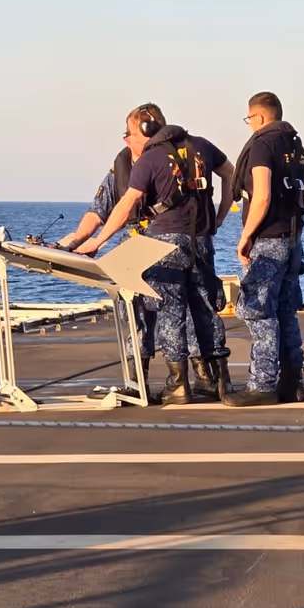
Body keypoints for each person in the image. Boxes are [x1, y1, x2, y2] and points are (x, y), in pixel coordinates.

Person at [55, 117, 233, 400]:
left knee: (185, 309)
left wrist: (98, 242)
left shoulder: (156, 158)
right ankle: (139, 380)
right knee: (138, 313)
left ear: (149, 132)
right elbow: (99, 209)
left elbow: (126, 204)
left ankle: (200, 378)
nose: (125, 139)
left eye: (129, 133)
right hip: (141, 245)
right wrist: (76, 240)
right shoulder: (123, 166)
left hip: (165, 244)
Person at [223, 91, 304, 407]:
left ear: (258, 116)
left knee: (258, 311)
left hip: (268, 240)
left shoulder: (262, 145)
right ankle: (292, 382)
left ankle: (262, 385)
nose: (249, 124)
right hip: (292, 239)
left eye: (249, 119)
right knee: (286, 310)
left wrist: (246, 236)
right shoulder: (296, 146)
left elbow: (261, 196)